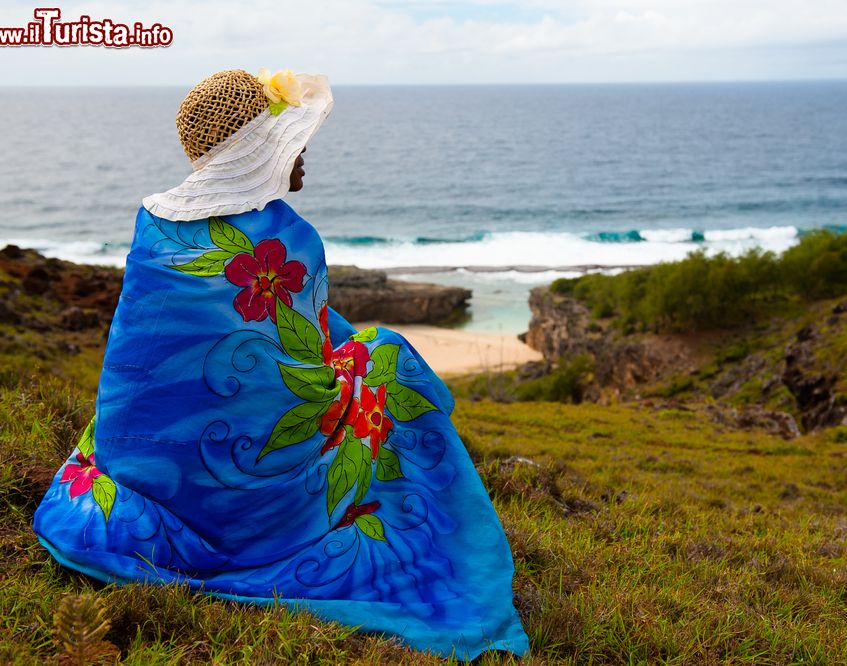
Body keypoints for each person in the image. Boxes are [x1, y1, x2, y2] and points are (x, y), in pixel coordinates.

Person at [32, 68, 529, 660]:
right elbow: (308, 369)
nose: (303, 160)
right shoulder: (285, 235)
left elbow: (146, 360)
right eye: (293, 144)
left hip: (139, 461)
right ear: (258, 149)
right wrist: (366, 351)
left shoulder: (155, 224)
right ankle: (423, 516)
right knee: (391, 359)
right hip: (257, 498)